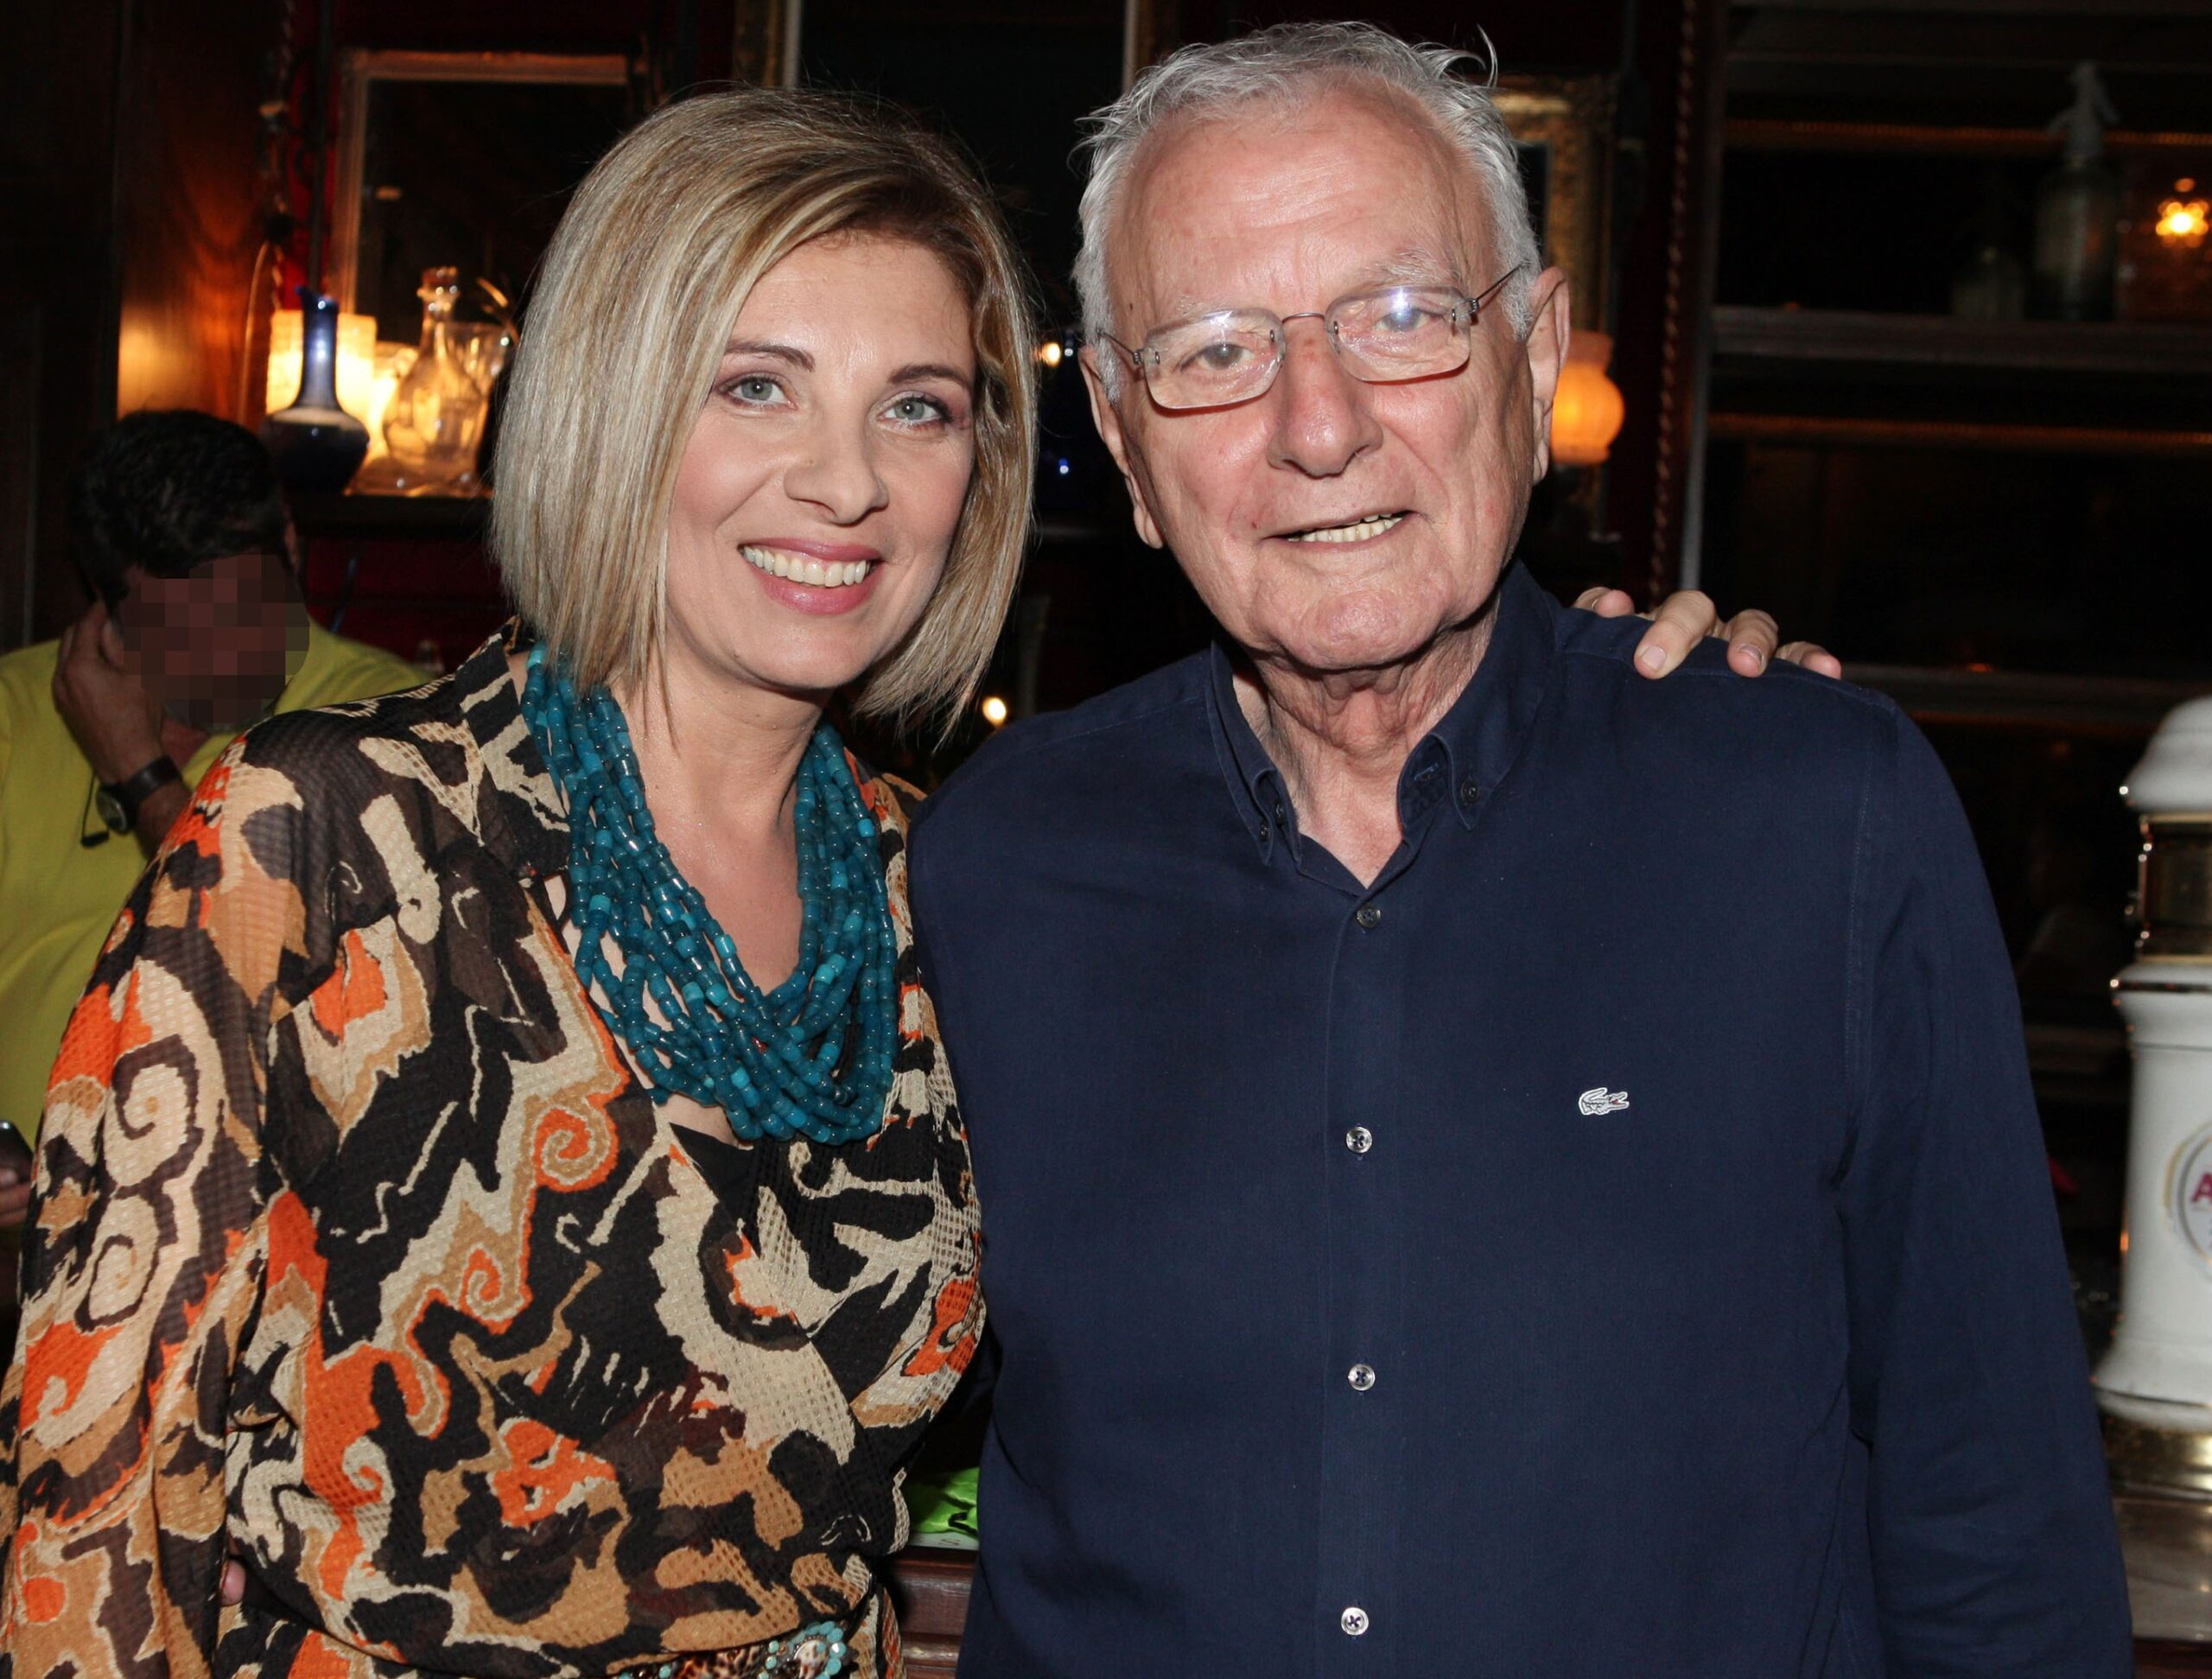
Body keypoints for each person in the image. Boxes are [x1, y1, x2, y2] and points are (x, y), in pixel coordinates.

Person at [0, 80, 1802, 1679]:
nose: (846, 482)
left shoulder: (954, 877)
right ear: (616, 405)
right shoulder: (326, 832)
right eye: (756, 385)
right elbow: (86, 1508)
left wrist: (1616, 704)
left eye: (918, 407)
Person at [906, 24, 2132, 1676]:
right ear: (1127, 447)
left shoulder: (1816, 820)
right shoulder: (990, 869)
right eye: (1216, 350)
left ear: (1537, 356)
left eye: (1402, 317)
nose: (1320, 425)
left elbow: (1999, 1534)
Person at [0, 411, 424, 1158]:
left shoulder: (384, 718)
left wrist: (140, 773)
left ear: (288, 545)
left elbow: (281, 953)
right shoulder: (13, 708)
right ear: (106, 602)